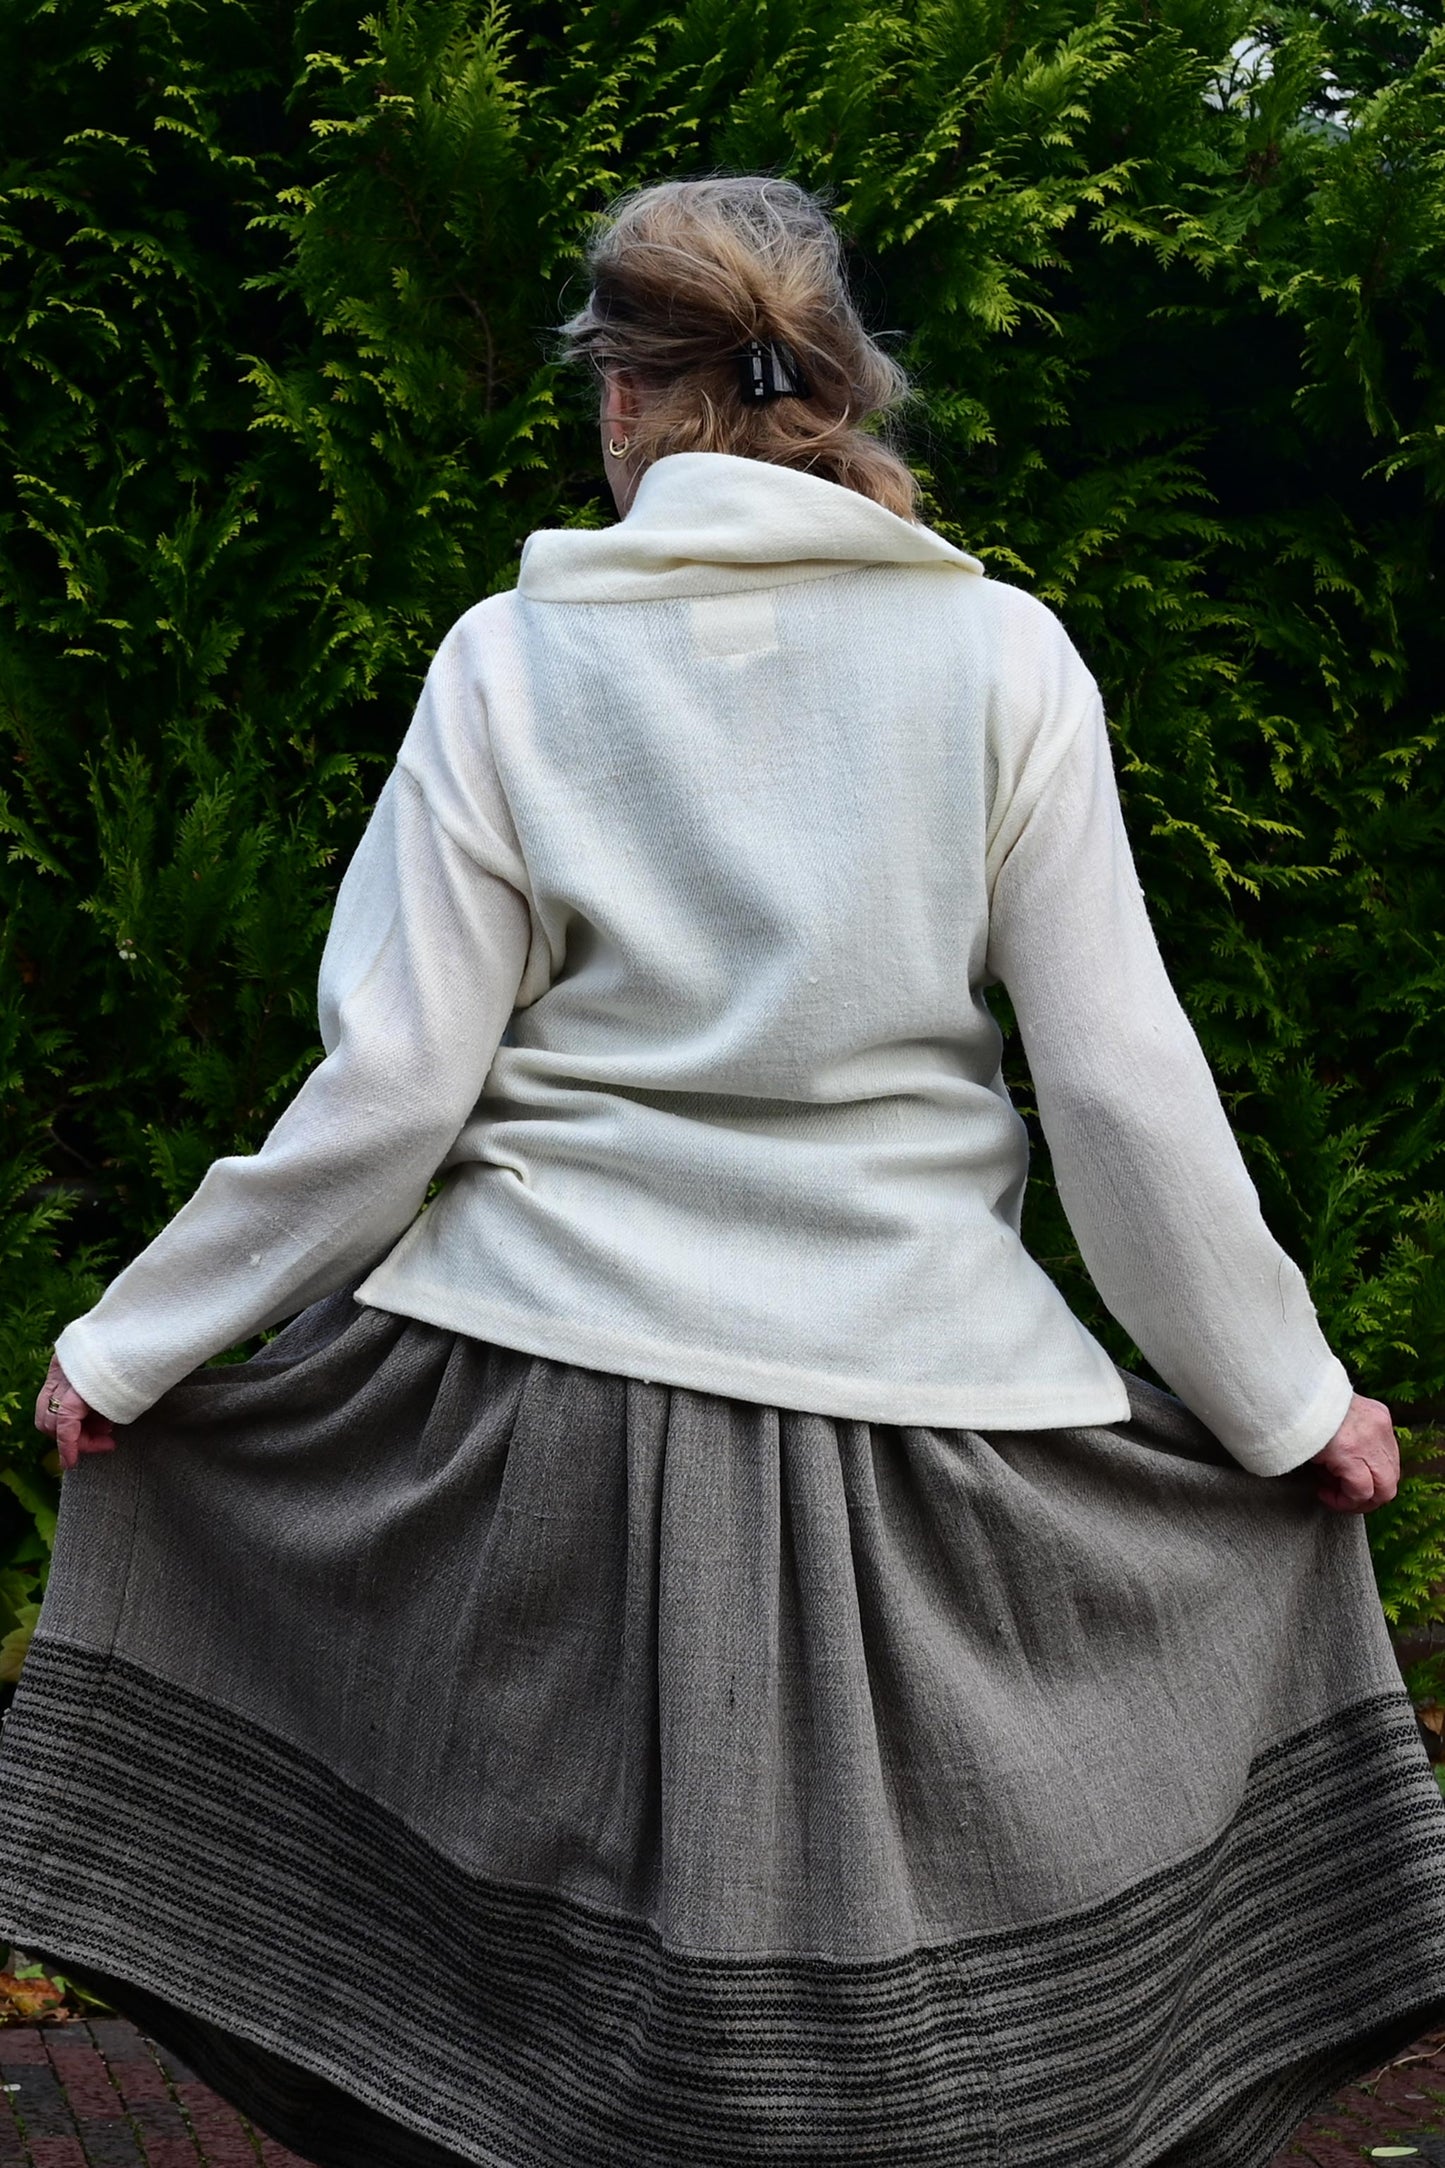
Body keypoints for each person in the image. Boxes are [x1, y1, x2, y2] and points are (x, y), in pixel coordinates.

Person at [1, 172, 1441, 2168]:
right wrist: (1293, 1410)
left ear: (620, 396)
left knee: (533, 2056)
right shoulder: (1008, 660)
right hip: (922, 1449)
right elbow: (1117, 1092)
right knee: (904, 2082)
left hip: (526, 1439)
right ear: (826, 385)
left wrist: (135, 1345)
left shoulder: (513, 659)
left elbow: (398, 1081)